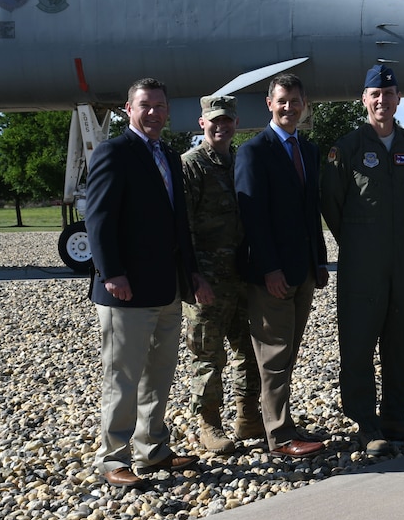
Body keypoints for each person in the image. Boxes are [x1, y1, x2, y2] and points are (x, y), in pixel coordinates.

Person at [86, 77, 214, 488]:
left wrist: (192, 274)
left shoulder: (170, 158)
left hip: (167, 288)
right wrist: (112, 273)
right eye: (146, 106)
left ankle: (152, 450)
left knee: (158, 375)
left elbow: (180, 226)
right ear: (129, 109)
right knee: (123, 377)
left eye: (161, 106)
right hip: (125, 291)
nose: (155, 113)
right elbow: (99, 219)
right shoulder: (114, 153)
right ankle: (113, 458)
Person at [320, 65, 404, 456]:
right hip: (361, 263)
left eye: (389, 93)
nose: (382, 100)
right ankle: (366, 422)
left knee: (401, 340)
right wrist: (358, 241)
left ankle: (397, 414)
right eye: (375, 94)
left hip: (402, 261)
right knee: (359, 341)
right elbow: (330, 203)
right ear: (364, 99)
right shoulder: (346, 148)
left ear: (399, 99)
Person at [235, 74, 329, 458]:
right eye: (282, 101)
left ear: (304, 104)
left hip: (304, 269)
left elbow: (311, 213)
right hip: (272, 274)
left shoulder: (308, 150)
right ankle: (279, 435)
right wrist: (270, 268)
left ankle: (280, 420)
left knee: (288, 352)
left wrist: (320, 261)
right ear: (268, 104)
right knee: (273, 355)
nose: (289, 107)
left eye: (295, 100)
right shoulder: (253, 151)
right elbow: (252, 216)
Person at [181, 95, 264, 454]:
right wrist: (192, 276)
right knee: (208, 354)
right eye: (214, 120)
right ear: (202, 123)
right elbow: (181, 228)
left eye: (227, 120)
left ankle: (247, 416)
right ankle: (208, 423)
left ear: (236, 123)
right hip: (207, 282)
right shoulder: (192, 165)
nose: (221, 126)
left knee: (249, 349)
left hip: (242, 275)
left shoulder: (241, 161)